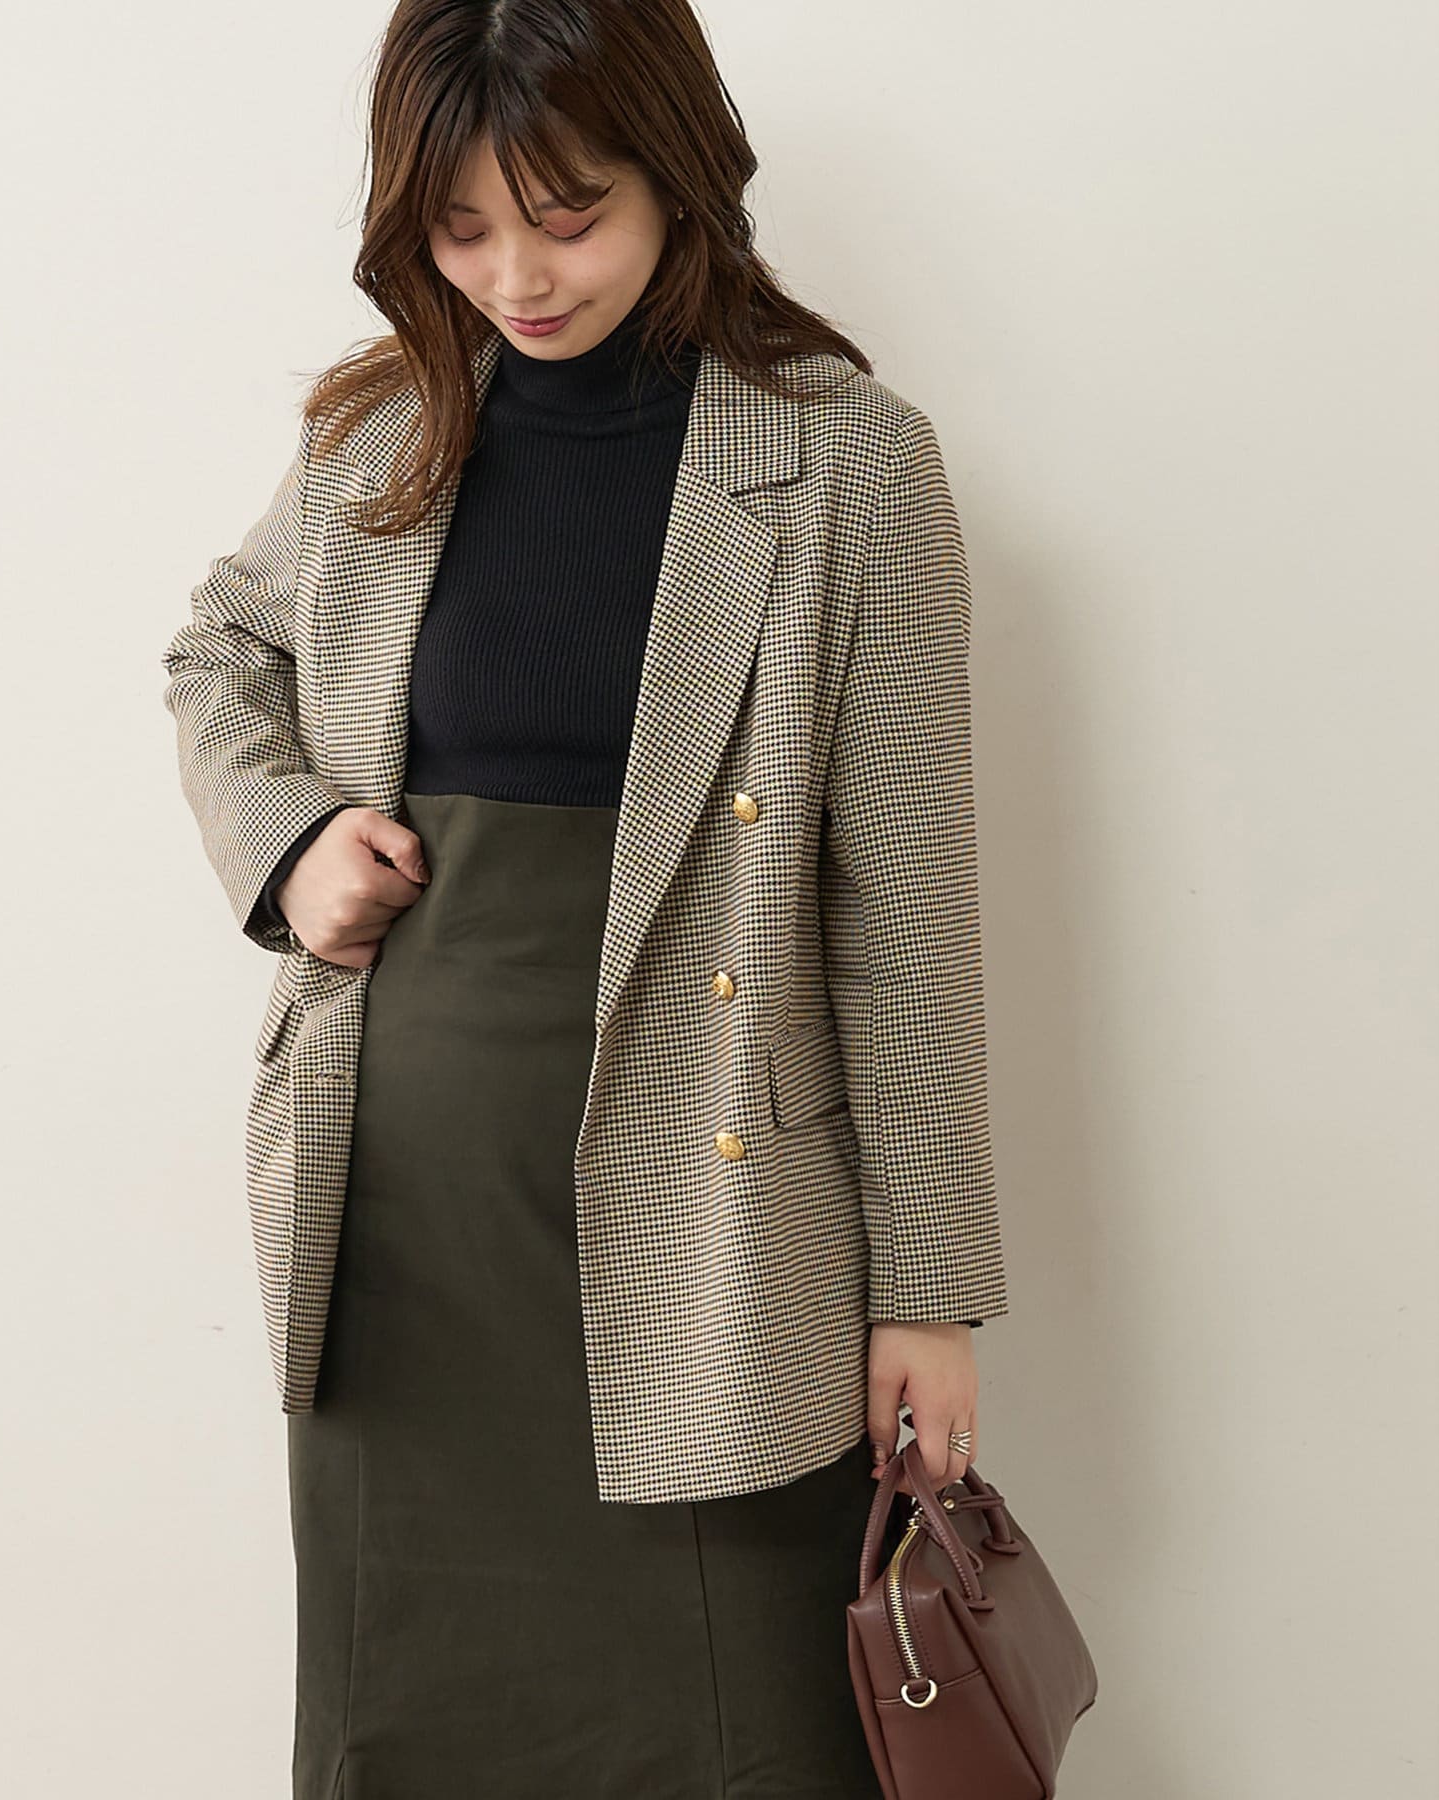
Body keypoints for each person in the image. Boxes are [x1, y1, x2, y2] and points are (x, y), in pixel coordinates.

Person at [162, 1, 1008, 1792]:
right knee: (414, 1726)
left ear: (680, 174)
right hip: (406, 1212)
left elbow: (909, 903)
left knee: (749, 1728)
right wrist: (291, 842)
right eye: (461, 230)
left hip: (723, 1215)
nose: (518, 278)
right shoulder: (383, 429)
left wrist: (928, 1288)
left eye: (568, 215)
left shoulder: (846, 462)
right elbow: (222, 651)